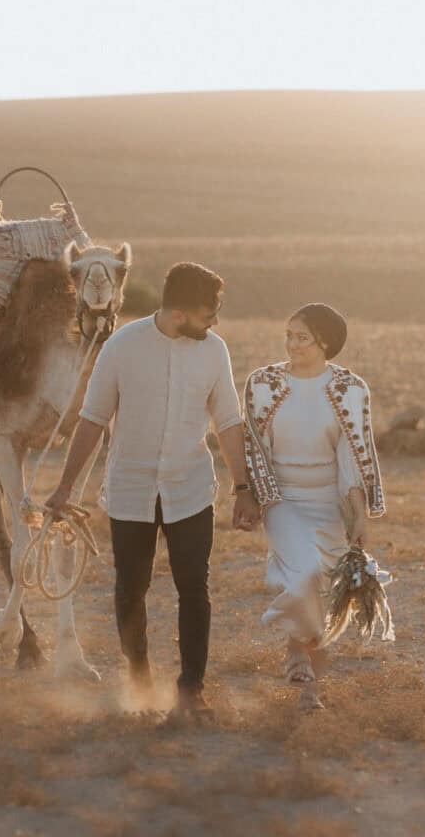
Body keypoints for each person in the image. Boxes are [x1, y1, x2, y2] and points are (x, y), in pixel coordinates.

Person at [45, 262, 259, 715]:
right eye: (208, 313)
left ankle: (190, 690)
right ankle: (138, 675)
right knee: (130, 589)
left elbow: (228, 421)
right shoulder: (122, 347)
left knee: (194, 588)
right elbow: (93, 420)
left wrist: (243, 487)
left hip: (191, 488)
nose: (215, 322)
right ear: (179, 313)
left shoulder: (214, 351)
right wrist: (65, 488)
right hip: (131, 488)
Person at [243, 303, 385, 710]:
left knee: (318, 587)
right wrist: (252, 496)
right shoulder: (263, 383)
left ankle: (310, 689)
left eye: (301, 337)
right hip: (281, 498)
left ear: (325, 342)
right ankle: (295, 648)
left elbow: (352, 457)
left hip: (330, 502)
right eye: (288, 335)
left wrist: (358, 515)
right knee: (302, 573)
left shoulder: (349, 388)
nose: (292, 344)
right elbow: (254, 447)